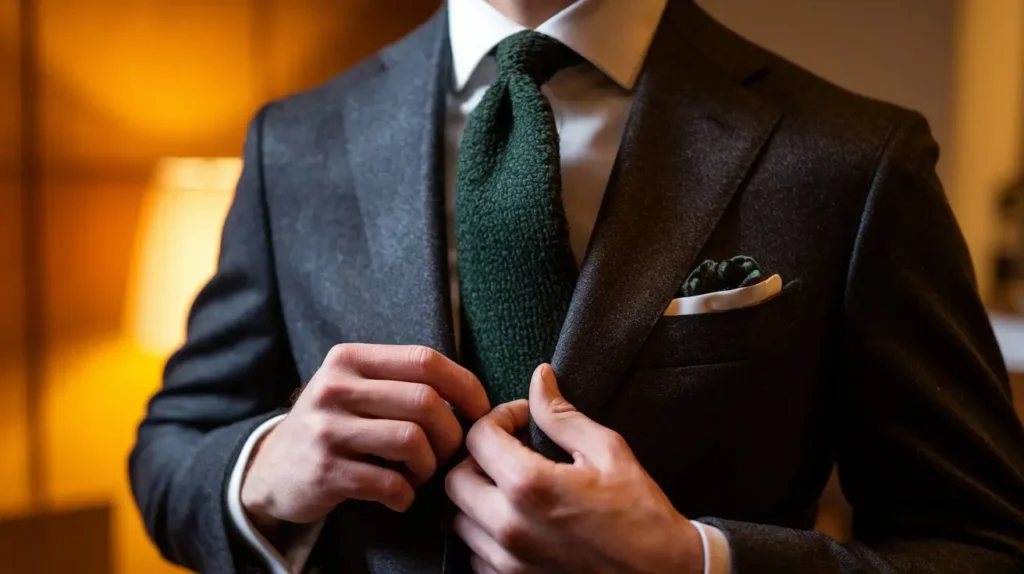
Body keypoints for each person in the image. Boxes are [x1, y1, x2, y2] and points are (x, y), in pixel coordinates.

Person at [128, 0, 1024, 572]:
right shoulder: (296, 142)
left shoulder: (852, 158)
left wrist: (693, 563)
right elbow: (172, 445)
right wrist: (263, 470)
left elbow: (981, 543)